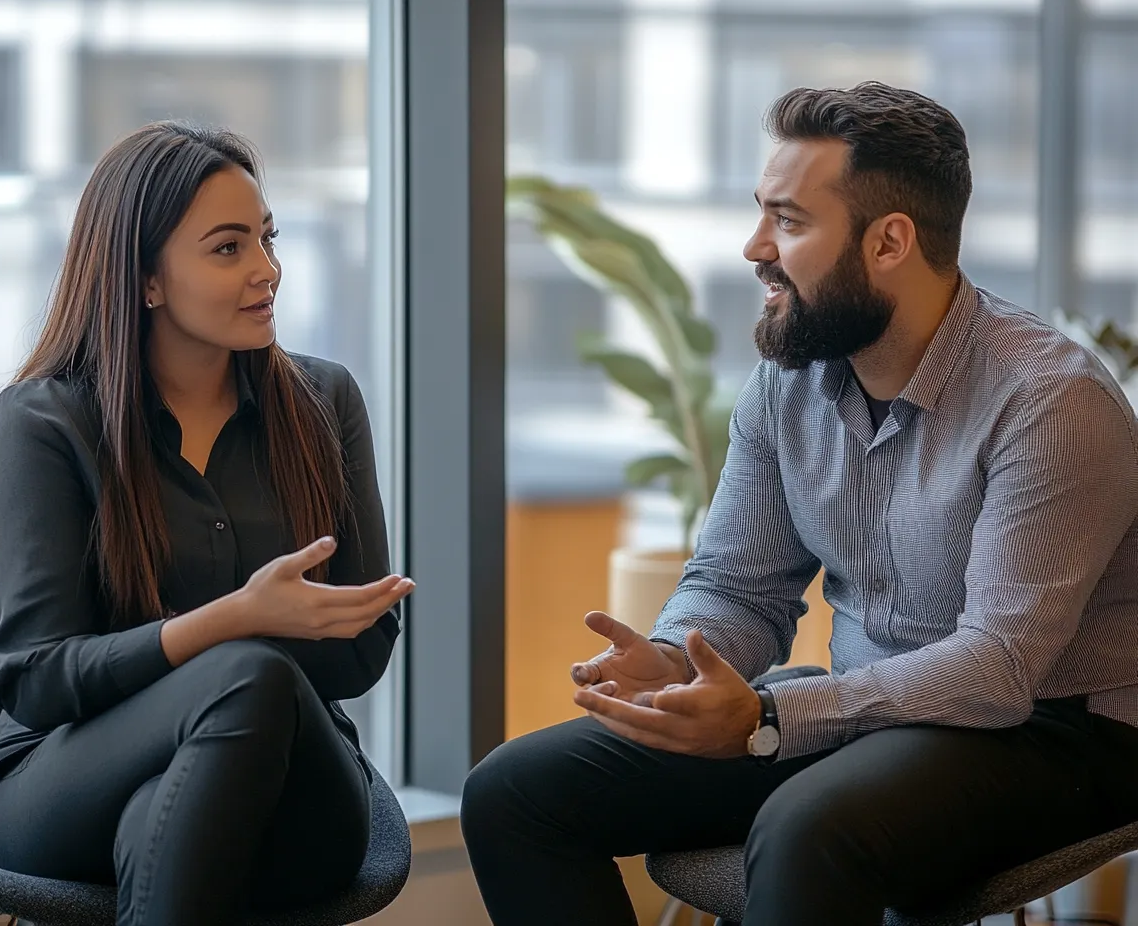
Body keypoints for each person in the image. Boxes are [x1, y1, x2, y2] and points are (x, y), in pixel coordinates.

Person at [461, 81, 1138, 925]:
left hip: (1053, 729)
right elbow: (741, 583)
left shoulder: (1048, 402)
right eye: (761, 213)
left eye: (788, 221)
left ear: (890, 241)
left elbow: (996, 669)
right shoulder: (789, 381)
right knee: (514, 793)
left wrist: (771, 714)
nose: (754, 247)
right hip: (870, 707)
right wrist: (678, 663)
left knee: (808, 827)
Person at [0, 121, 413, 926]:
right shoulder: (45, 423)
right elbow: (38, 681)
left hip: (296, 787)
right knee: (245, 671)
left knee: (241, 701)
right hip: (65, 777)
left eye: (267, 239)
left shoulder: (325, 405)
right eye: (228, 248)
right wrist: (236, 621)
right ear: (146, 280)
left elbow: (358, 664)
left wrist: (329, 622)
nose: (267, 271)